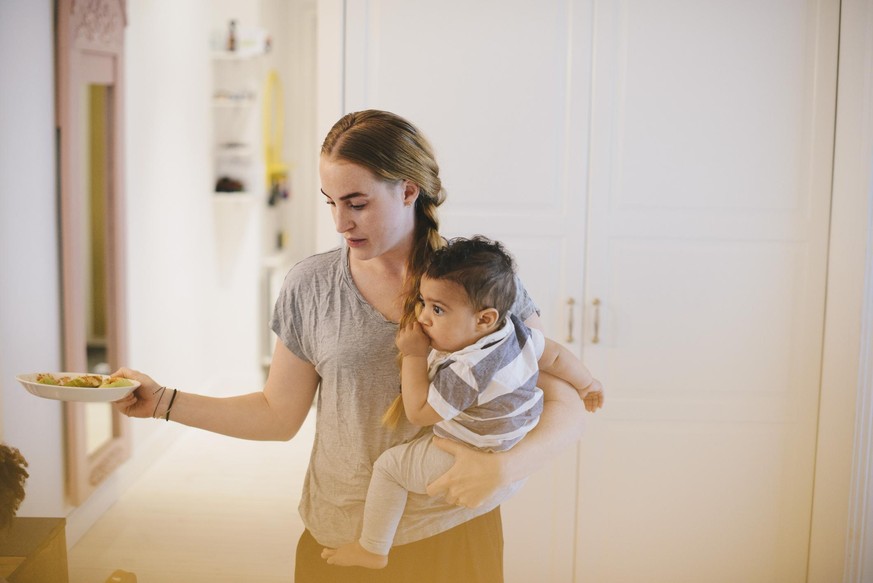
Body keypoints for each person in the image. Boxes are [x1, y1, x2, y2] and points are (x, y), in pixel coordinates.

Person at [113, 109, 602, 583]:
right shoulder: (311, 285)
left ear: (408, 190)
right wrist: (162, 403)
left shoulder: (481, 282)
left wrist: (506, 469)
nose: (341, 221)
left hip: (454, 532)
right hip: (340, 541)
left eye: (357, 203)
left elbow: (566, 398)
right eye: (331, 202)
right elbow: (276, 415)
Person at [321, 236, 603, 570]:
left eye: (438, 309)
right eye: (424, 303)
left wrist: (414, 355)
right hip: (514, 435)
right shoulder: (514, 330)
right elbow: (554, 355)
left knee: (390, 468)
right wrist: (588, 383)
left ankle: (373, 548)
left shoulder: (467, 371)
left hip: (472, 452)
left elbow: (420, 413)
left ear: (484, 319)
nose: (423, 317)